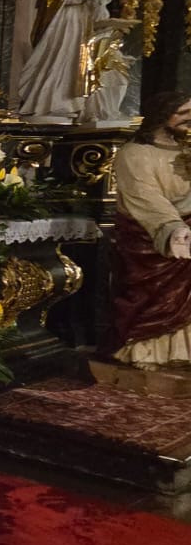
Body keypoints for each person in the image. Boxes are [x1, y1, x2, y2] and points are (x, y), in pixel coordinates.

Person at [103, 92, 191, 367]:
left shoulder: (186, 150)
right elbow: (144, 196)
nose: (190, 119)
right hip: (150, 236)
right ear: (161, 113)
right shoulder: (135, 153)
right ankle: (148, 353)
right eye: (183, 113)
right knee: (158, 298)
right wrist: (173, 228)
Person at [16, 0, 113, 122]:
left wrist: (100, 2)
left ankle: (68, 105)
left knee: (74, 64)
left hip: (80, 31)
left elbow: (97, 16)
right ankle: (47, 104)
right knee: (55, 60)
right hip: (60, 29)